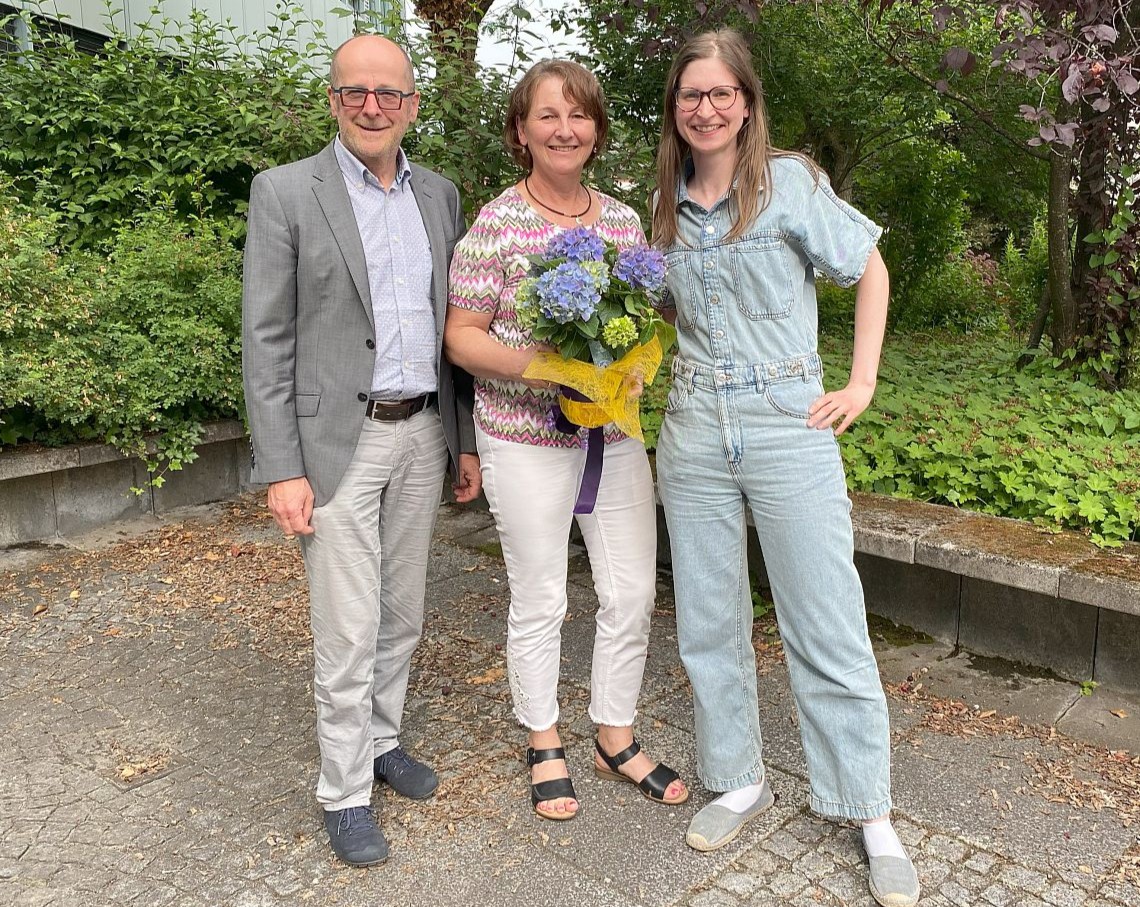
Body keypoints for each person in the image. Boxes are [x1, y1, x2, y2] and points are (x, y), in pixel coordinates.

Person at [652, 29, 920, 907]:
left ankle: (867, 807)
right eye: (692, 94)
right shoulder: (662, 204)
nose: (706, 108)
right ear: (676, 108)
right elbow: (646, 310)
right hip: (691, 430)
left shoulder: (790, 185)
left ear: (746, 102)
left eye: (721, 93)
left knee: (826, 616)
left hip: (786, 421)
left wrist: (861, 381)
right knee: (708, 616)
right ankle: (737, 777)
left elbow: (869, 266)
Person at [241, 33, 481, 867]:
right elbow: (266, 337)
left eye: (388, 93)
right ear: (334, 100)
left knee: (402, 615)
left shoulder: (440, 195)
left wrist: (464, 437)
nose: (371, 106)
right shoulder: (285, 192)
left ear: (413, 103)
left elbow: (456, 328)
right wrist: (281, 467)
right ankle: (342, 790)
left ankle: (382, 743)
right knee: (347, 629)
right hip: (334, 441)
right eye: (355, 92)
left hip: (423, 431)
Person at [444, 60, 687, 822]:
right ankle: (543, 735)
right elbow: (460, 337)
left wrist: (633, 368)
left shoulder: (619, 221)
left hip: (610, 437)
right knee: (542, 594)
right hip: (523, 438)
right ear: (522, 132)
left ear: (596, 131)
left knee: (631, 590)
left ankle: (615, 732)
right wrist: (549, 370)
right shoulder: (497, 223)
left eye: (578, 115)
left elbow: (642, 321)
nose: (564, 129)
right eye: (547, 116)